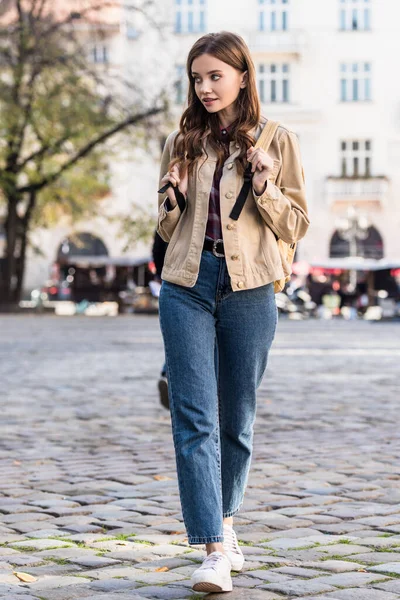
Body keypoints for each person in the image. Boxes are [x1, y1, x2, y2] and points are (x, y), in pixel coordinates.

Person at [157, 31, 309, 593]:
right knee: (194, 416)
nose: (205, 88)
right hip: (187, 284)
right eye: (197, 78)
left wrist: (267, 183)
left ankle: (225, 519)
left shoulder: (279, 139)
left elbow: (295, 225)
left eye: (216, 76)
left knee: (236, 418)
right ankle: (213, 547)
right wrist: (171, 196)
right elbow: (167, 229)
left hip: (249, 288)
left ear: (243, 76)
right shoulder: (183, 142)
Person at [151, 231, 170, 409]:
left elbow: (157, 247)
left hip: (170, 277)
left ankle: (167, 375)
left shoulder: (169, 213)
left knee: (180, 340)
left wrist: (159, 273)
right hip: (179, 278)